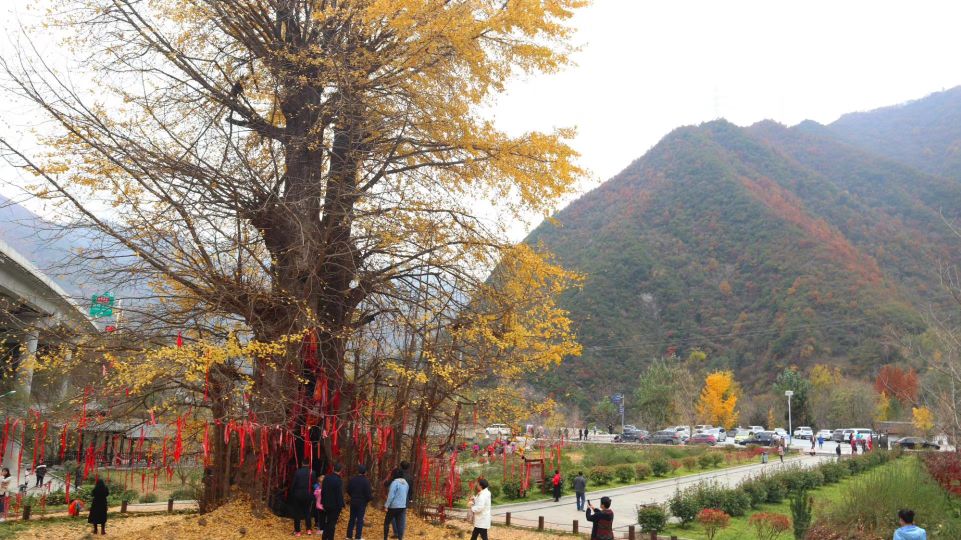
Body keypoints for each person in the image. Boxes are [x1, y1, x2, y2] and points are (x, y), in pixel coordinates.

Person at [346, 464, 373, 540]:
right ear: (365, 472)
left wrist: (353, 496)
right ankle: (358, 537)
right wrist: (369, 499)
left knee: (352, 518)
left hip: (353, 501)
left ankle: (349, 536)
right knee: (360, 519)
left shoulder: (353, 479)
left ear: (358, 471)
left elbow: (348, 490)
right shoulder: (366, 481)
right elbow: (368, 494)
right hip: (362, 503)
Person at [290, 464, 316, 536]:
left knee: (297, 513)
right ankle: (309, 529)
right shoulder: (312, 472)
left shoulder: (297, 472)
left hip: (298, 495)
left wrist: (292, 493)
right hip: (308, 495)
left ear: (302, 463)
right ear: (309, 464)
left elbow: (293, 484)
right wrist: (316, 492)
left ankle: (297, 531)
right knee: (307, 512)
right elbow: (314, 484)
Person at [321, 463, 345, 540]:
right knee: (332, 523)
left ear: (333, 468)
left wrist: (323, 501)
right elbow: (339, 494)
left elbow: (323, 491)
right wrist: (341, 505)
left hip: (326, 503)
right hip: (335, 505)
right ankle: (330, 538)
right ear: (340, 471)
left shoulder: (327, 478)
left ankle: (324, 537)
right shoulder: (338, 480)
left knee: (328, 521)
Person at [384, 468, 409, 540]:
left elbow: (391, 495)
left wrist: (386, 505)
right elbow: (406, 494)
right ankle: (400, 538)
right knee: (400, 525)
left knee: (386, 523)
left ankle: (385, 538)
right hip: (402, 507)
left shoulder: (394, 483)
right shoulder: (406, 483)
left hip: (393, 507)